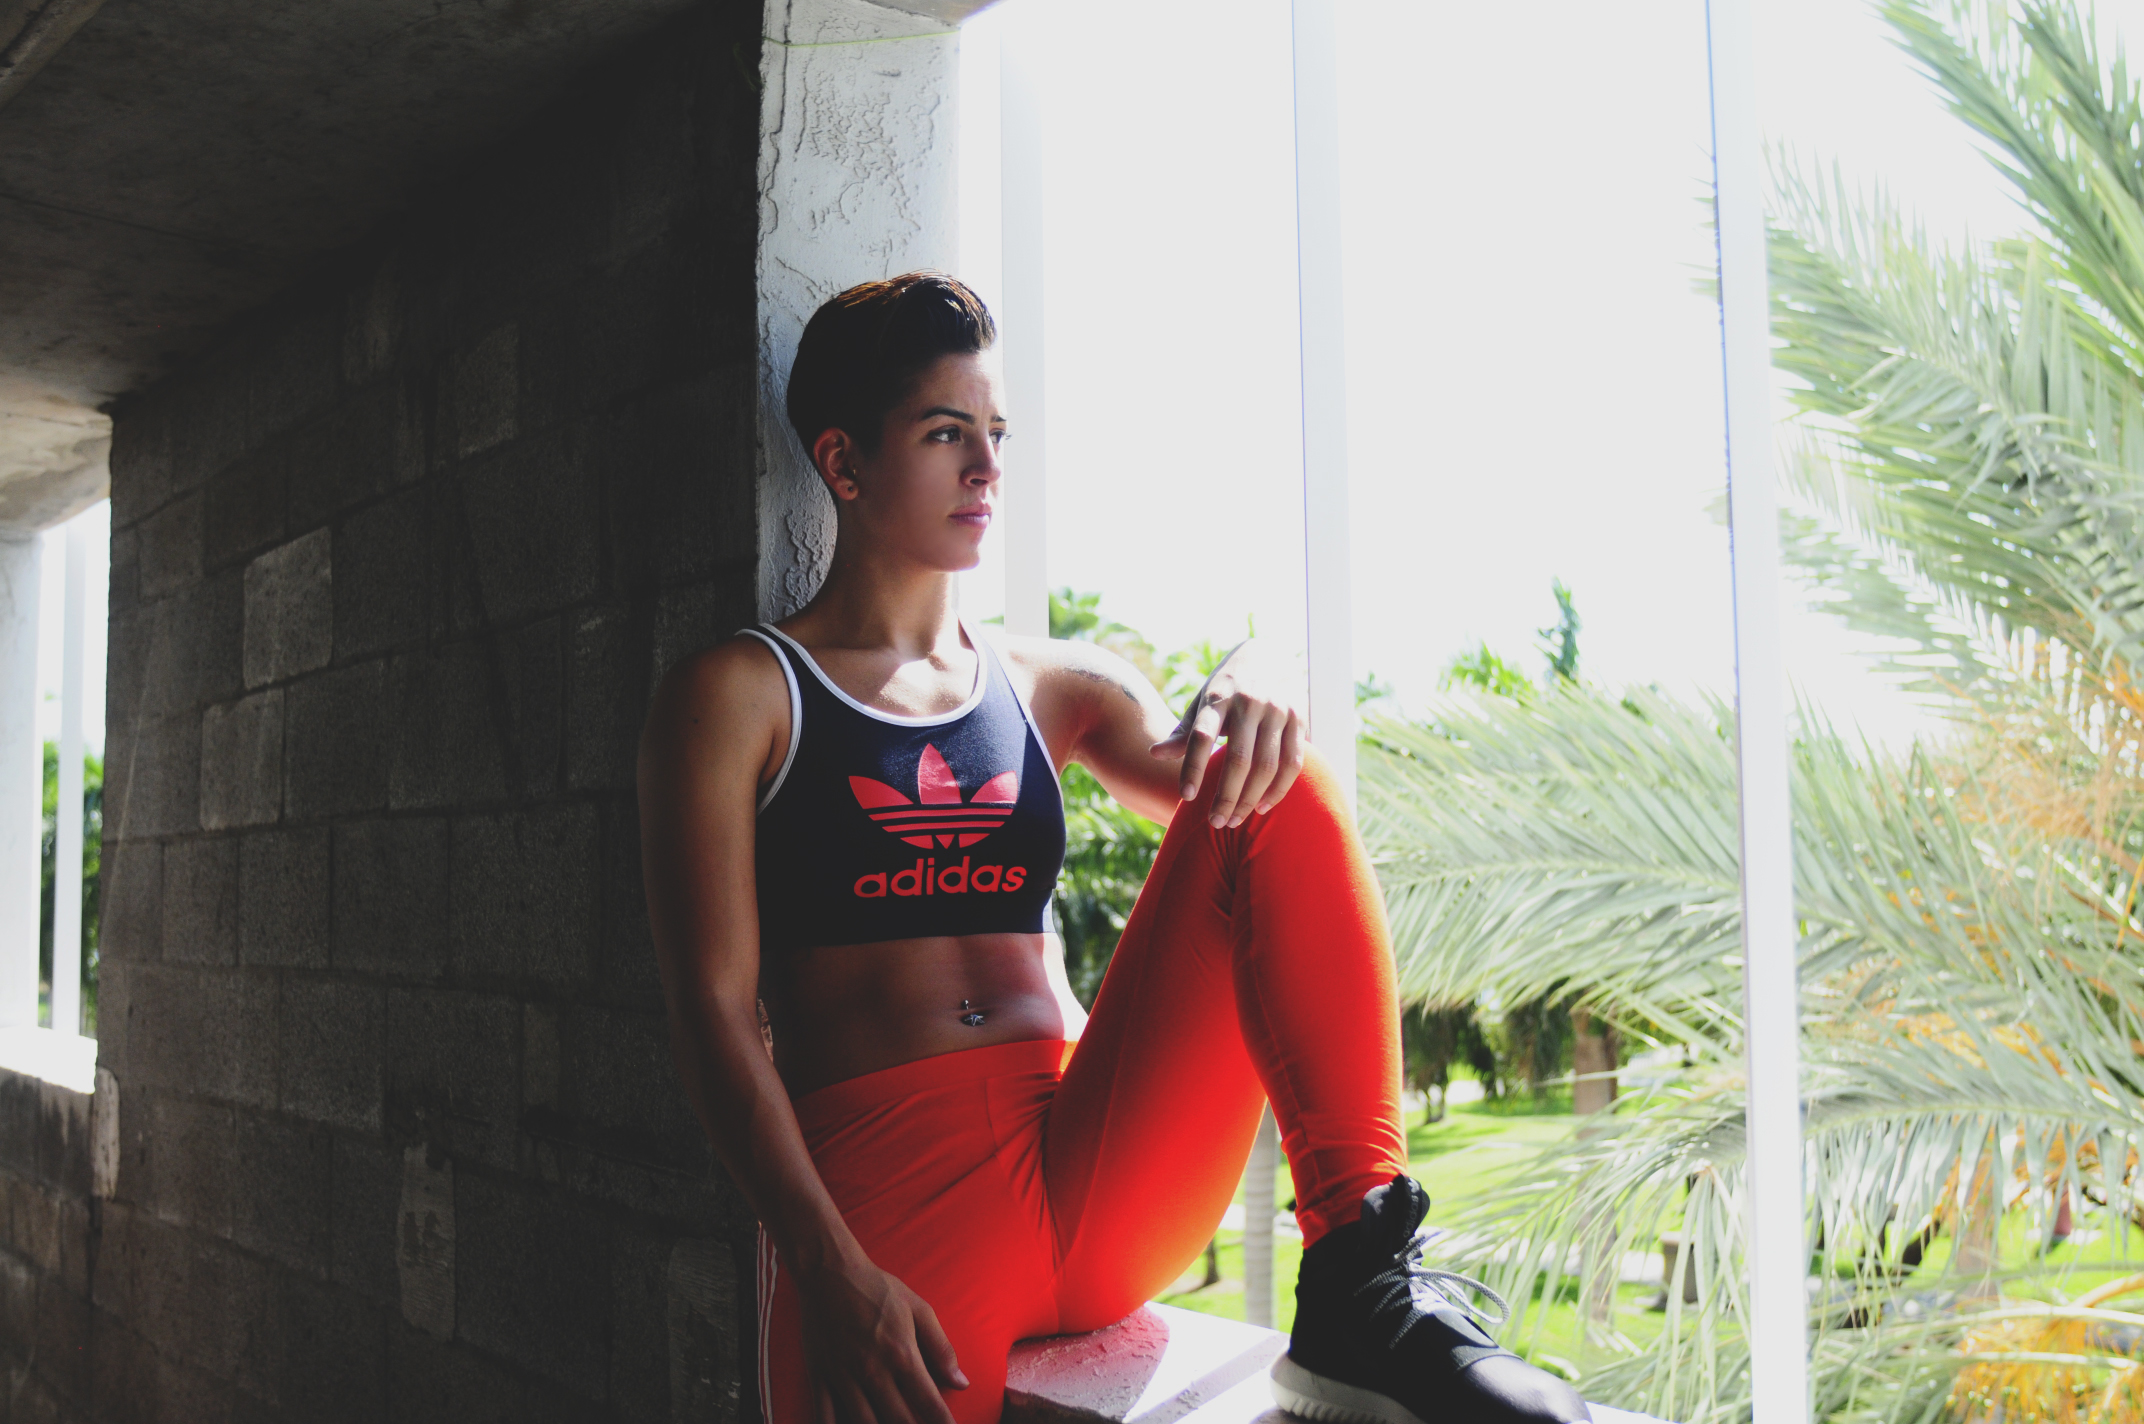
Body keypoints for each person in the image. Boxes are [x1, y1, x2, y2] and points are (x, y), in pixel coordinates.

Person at [638, 272, 1588, 1424]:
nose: (986, 468)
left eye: (995, 433)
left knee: (1275, 779)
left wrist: (1258, 669)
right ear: (843, 462)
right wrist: (826, 1267)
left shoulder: (1052, 684)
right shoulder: (739, 693)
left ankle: (1359, 1275)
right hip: (893, 1215)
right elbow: (712, 1014)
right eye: (945, 434)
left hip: (1095, 1171)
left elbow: (1230, 782)